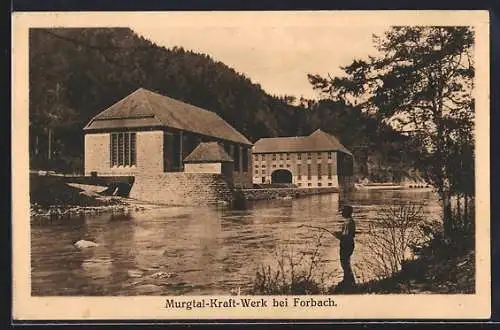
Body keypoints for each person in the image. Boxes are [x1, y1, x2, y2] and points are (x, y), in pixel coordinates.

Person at [335, 204, 356, 289]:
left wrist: (339, 237)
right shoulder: (347, 221)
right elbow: (345, 234)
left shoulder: (350, 222)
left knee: (345, 263)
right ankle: (347, 280)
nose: (342, 213)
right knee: (345, 263)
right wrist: (339, 235)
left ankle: (350, 281)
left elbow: (350, 235)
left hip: (347, 244)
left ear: (348, 212)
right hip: (345, 244)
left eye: (343, 211)